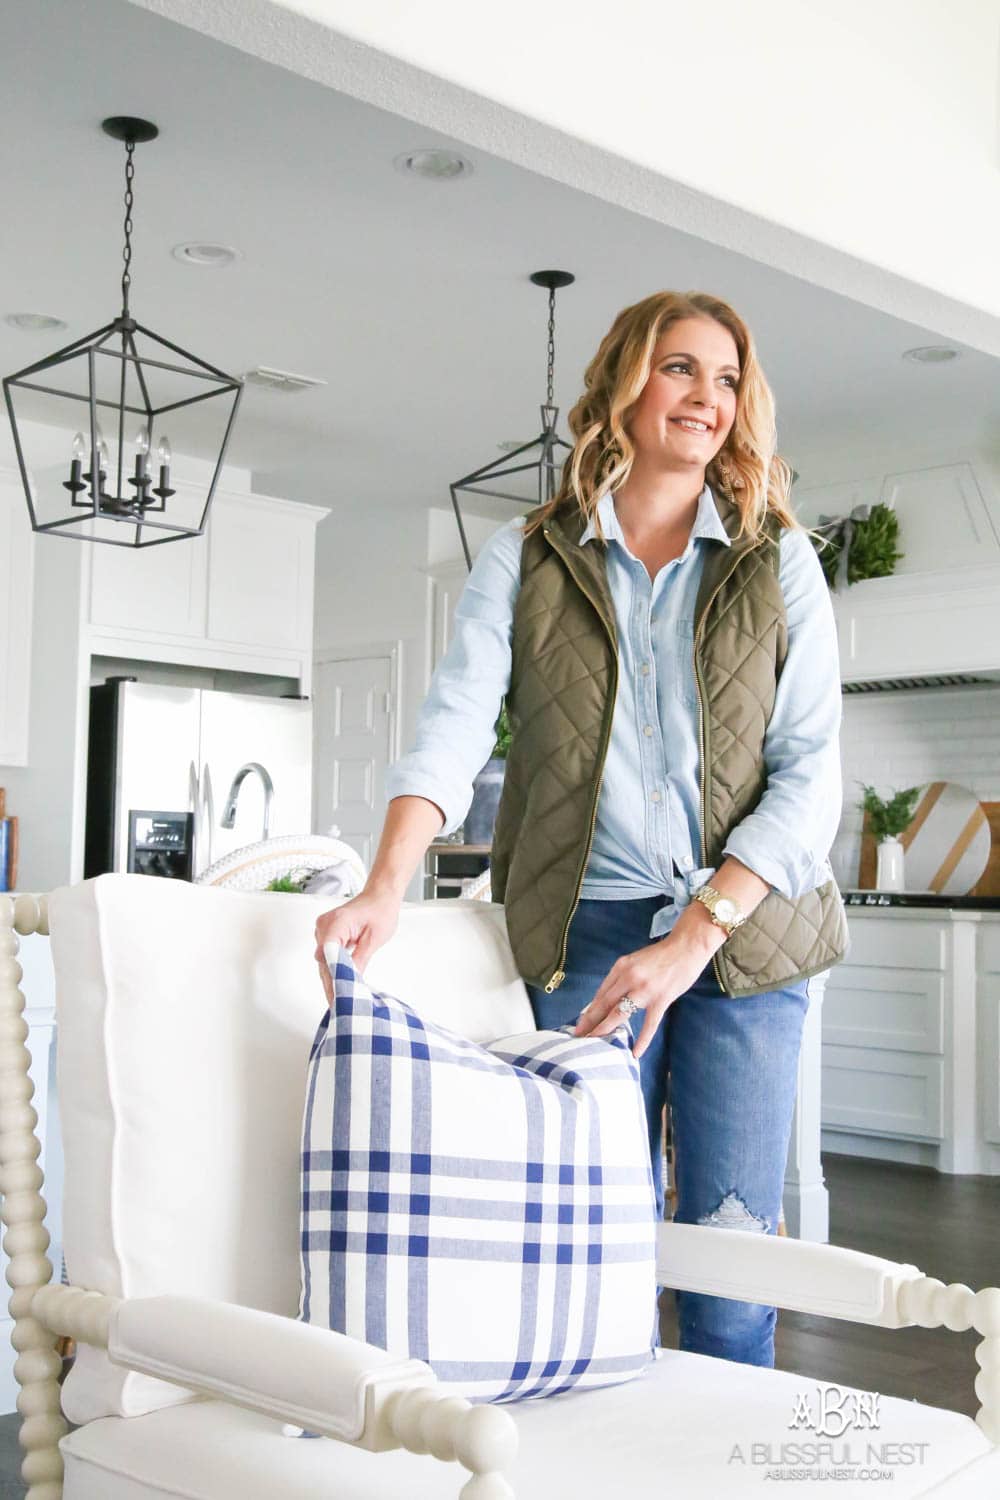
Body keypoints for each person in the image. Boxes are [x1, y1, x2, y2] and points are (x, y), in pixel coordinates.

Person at [314, 289, 849, 1370]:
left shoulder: (774, 558)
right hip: (585, 939)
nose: (706, 397)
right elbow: (453, 724)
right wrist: (383, 884)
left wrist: (695, 933)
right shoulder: (529, 558)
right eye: (680, 368)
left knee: (730, 1247)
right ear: (623, 383)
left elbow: (810, 775)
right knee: (590, 1241)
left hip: (743, 939)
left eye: (726, 378)